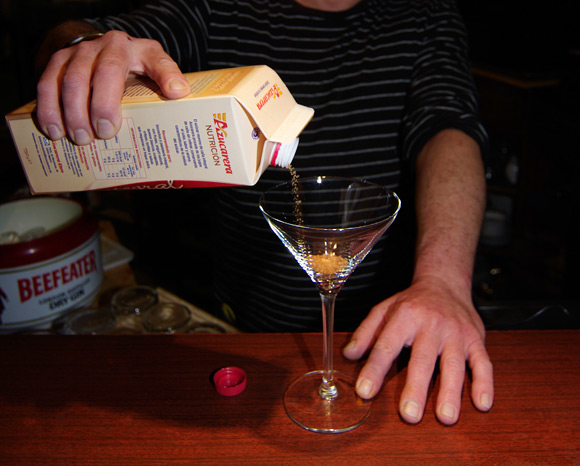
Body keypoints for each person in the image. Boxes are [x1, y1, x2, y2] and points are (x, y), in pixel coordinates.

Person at [34, 0, 494, 425]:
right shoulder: (221, 7)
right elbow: (105, 34)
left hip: (385, 336)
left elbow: (448, 126)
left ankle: (335, 383)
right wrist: (85, 51)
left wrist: (444, 279)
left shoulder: (425, 12)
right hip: (243, 334)